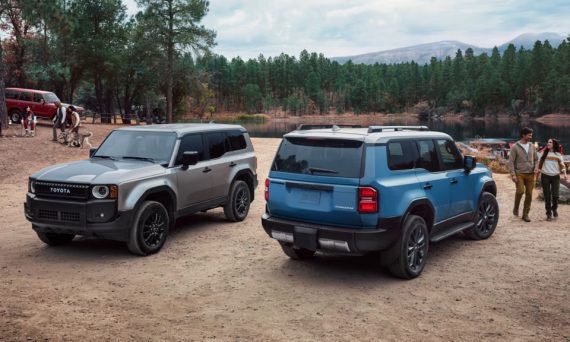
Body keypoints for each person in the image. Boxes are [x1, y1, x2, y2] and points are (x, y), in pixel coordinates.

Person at [508, 127, 539, 222]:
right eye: (529, 135)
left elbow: (536, 159)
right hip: (519, 173)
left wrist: (536, 167)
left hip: (530, 174)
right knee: (520, 191)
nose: (531, 136)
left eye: (531, 135)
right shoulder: (515, 147)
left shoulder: (532, 146)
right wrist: (513, 174)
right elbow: (511, 161)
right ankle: (516, 207)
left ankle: (525, 214)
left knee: (529, 194)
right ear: (523, 135)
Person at [537, 138, 567, 221]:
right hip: (545, 176)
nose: (548, 143)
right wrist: (537, 174)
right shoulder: (544, 153)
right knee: (547, 196)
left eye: (550, 142)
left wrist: (564, 174)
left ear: (554, 144)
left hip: (555, 177)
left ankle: (554, 209)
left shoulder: (558, 154)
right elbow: (540, 165)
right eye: (548, 142)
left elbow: (562, 165)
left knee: (555, 196)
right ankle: (549, 214)